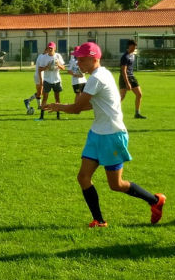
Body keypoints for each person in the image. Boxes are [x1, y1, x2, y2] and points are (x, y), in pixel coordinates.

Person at [44, 42, 165, 227]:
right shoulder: (100, 74)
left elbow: (77, 108)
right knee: (83, 177)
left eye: (81, 59)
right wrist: (66, 106)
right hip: (97, 133)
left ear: (94, 59)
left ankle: (155, 201)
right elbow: (91, 104)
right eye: (77, 59)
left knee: (116, 185)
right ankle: (99, 221)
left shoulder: (98, 78)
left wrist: (57, 106)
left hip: (112, 135)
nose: (78, 63)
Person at [35, 42, 65, 120]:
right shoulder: (44, 57)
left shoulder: (58, 56)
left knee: (57, 98)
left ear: (54, 48)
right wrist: (47, 67)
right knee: (45, 98)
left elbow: (63, 68)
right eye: (49, 48)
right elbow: (40, 69)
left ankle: (58, 116)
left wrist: (58, 64)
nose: (50, 49)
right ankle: (41, 116)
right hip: (47, 80)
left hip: (56, 80)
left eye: (51, 48)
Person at [119, 40, 146, 119]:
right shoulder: (125, 56)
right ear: (129, 46)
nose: (135, 48)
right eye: (134, 46)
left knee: (139, 94)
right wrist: (127, 83)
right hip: (124, 77)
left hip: (132, 76)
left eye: (135, 47)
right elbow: (123, 71)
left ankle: (137, 113)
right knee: (122, 96)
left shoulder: (133, 55)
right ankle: (111, 111)